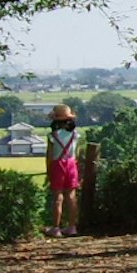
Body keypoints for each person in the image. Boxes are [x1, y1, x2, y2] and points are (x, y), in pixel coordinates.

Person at [41, 102, 85, 239]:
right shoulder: (75, 135)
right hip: (72, 164)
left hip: (57, 165)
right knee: (72, 196)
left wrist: (48, 172)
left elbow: (49, 156)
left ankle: (56, 228)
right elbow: (76, 153)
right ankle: (72, 226)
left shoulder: (52, 136)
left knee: (58, 198)